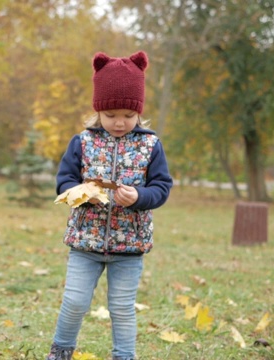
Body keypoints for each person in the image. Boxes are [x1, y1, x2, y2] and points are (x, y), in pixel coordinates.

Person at [46, 51, 173, 360]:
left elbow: (162, 187)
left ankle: (124, 356)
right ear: (98, 109)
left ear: (139, 112)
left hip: (129, 248)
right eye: (112, 114)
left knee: (121, 307)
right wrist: (80, 192)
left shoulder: (151, 145)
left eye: (129, 115)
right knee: (75, 301)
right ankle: (60, 352)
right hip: (85, 244)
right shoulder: (83, 142)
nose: (120, 122)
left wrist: (140, 198)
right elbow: (63, 182)